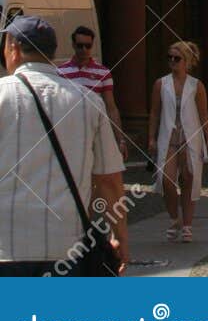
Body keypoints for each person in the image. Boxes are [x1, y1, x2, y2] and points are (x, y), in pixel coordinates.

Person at [0, 15, 127, 275]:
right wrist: (121, 238)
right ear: (52, 52)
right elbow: (109, 180)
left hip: (6, 245)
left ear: (12, 48)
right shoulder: (88, 102)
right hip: (68, 249)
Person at [147, 40, 208, 244]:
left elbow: (204, 114)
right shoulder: (161, 84)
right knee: (165, 179)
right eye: (170, 58)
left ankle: (187, 225)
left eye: (177, 58)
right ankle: (174, 218)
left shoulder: (196, 86)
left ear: (187, 61)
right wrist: (151, 137)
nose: (173, 62)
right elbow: (155, 113)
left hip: (190, 138)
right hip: (169, 137)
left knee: (188, 179)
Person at [57, 25, 127, 160]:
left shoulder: (103, 73)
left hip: (94, 129)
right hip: (69, 130)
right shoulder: (60, 72)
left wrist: (120, 139)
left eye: (88, 46)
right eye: (80, 45)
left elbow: (111, 107)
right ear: (73, 45)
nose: (84, 50)